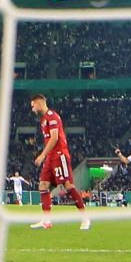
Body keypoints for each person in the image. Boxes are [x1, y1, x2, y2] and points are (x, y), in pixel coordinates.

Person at [29, 94, 89, 230]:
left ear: (39, 103)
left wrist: (42, 155)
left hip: (59, 154)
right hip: (51, 157)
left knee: (68, 185)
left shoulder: (52, 116)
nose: (32, 109)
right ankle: (46, 221)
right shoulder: (43, 119)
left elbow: (55, 138)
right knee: (43, 185)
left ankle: (85, 218)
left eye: (33, 106)